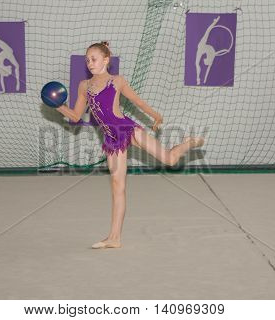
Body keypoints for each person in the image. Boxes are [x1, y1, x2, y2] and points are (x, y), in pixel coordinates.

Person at [56, 41, 205, 249]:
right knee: (118, 186)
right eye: (87, 60)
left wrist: (155, 115)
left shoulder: (117, 81)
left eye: (94, 59)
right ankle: (114, 238)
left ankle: (186, 144)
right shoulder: (84, 86)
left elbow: (137, 101)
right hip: (111, 139)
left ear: (106, 60)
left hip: (128, 129)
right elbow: (75, 117)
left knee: (170, 160)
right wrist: (59, 106)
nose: (90, 63)